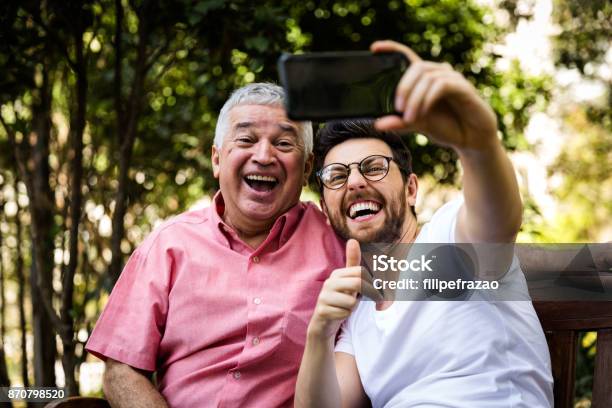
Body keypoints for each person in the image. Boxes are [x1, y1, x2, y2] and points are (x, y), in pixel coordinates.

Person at [295, 41, 554, 407]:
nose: (354, 182)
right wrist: (320, 332)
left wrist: (478, 144)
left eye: (373, 167)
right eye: (337, 176)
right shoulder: (358, 314)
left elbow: (499, 216)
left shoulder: (451, 236)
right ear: (326, 207)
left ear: (411, 188)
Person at [85, 83, 346, 407]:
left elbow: (414, 283)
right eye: (246, 140)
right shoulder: (169, 245)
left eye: (283, 142)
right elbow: (121, 370)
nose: (264, 156)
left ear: (306, 168)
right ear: (217, 159)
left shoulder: (339, 243)